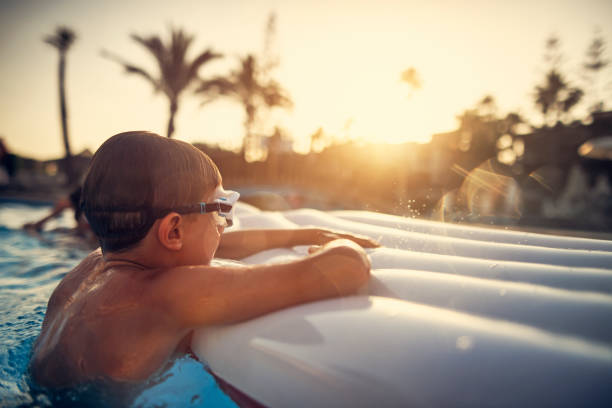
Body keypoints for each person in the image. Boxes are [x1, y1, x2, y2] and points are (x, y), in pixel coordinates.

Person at [29, 131, 377, 389]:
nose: (225, 224)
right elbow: (346, 268)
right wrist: (336, 246)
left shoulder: (88, 269)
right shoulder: (166, 294)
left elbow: (223, 244)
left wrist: (306, 234)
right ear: (174, 231)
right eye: (222, 208)